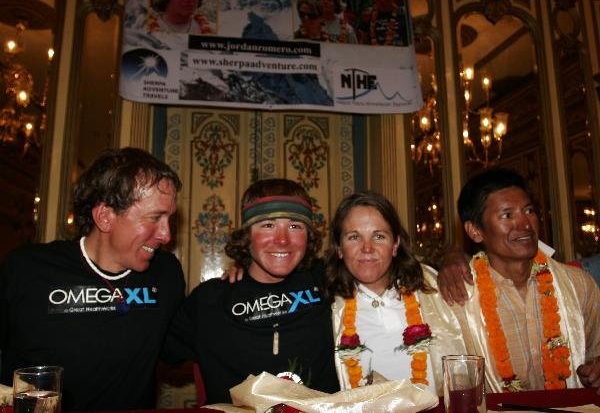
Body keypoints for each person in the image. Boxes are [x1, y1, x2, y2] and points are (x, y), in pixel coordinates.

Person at [0, 148, 186, 411]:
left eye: (170, 219)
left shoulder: (165, 274)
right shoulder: (26, 269)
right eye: (155, 218)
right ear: (105, 217)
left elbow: (186, 345)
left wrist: (243, 280)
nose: (167, 235)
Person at [163, 179, 339, 404]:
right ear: (247, 235)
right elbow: (149, 350)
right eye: (268, 225)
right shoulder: (210, 300)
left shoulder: (328, 281)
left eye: (295, 226)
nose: (283, 240)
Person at [452, 168, 600, 392]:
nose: (525, 224)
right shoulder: (458, 297)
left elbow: (596, 353)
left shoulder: (578, 284)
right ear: (475, 231)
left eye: (529, 211)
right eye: (507, 215)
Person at [324, 191, 466, 395]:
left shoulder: (434, 290)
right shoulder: (326, 307)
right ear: (339, 248)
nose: (367, 248)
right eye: (354, 237)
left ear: (395, 245)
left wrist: (456, 254)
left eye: (379, 236)